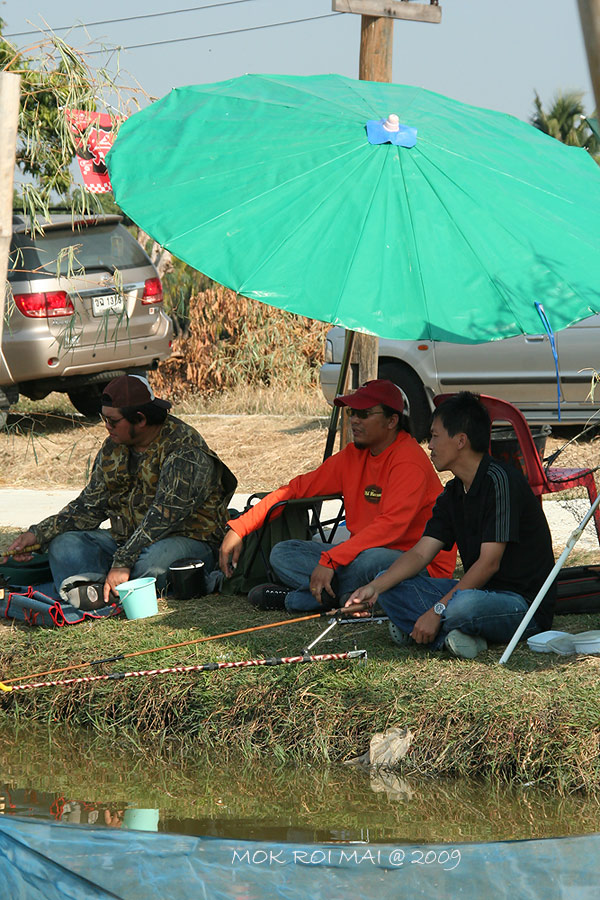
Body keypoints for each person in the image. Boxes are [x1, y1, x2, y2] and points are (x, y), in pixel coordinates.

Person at [345, 392, 556, 658]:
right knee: (387, 583)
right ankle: (453, 637)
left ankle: (430, 628)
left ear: (460, 440)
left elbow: (489, 563)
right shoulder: (452, 493)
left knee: (462, 606)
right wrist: (373, 589)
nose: (429, 445)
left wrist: (437, 610)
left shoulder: (500, 482)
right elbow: (421, 553)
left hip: (522, 604)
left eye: (434, 436)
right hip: (479, 592)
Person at [219, 379, 456, 612]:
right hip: (358, 557)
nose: (354, 419)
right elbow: (296, 489)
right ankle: (347, 598)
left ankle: (300, 600)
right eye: (352, 412)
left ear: (392, 420)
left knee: (370, 560)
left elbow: (390, 527)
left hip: (417, 565)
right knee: (283, 552)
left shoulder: (408, 460)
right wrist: (240, 527)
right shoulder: (352, 456)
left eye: (363, 413)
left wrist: (332, 560)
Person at [5, 374, 237, 609]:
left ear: (141, 419)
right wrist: (38, 534)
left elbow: (163, 517)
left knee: (153, 563)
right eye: (103, 418)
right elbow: (89, 506)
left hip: (187, 541)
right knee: (63, 544)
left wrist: (122, 561)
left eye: (112, 421)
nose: (106, 427)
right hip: (127, 542)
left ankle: (96, 587)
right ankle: (106, 588)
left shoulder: (184, 451)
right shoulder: (113, 447)